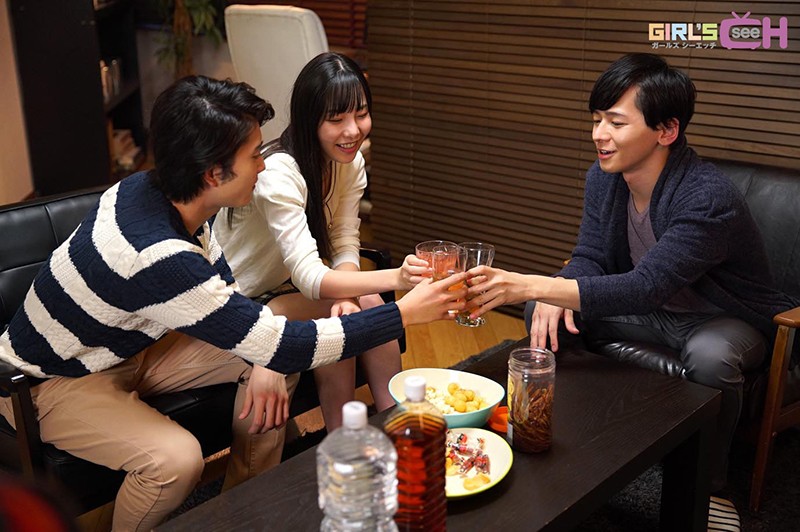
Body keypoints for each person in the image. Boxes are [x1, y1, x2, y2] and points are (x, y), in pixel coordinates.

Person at [0, 75, 466, 531]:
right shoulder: (155, 253)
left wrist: (266, 355)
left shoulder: (172, 196)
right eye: (254, 155)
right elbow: (281, 340)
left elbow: (228, 288)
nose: (263, 164)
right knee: (176, 461)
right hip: (52, 382)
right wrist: (405, 312)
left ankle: (240, 512)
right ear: (213, 173)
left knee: (275, 363)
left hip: (136, 346)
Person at [465, 53, 799, 527]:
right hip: (654, 310)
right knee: (545, 310)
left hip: (721, 317)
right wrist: (552, 290)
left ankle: (710, 488)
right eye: (597, 119)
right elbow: (590, 256)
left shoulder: (707, 196)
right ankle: (583, 440)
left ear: (667, 130)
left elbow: (645, 286)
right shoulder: (603, 178)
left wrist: (527, 284)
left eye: (616, 122)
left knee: (711, 356)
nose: (599, 134)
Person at [216, 52, 429, 430]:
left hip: (287, 287)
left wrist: (347, 295)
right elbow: (311, 278)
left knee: (358, 305)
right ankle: (342, 432)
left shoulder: (349, 163)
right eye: (336, 119)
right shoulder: (278, 173)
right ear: (309, 119)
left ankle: (396, 422)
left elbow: (344, 240)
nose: (353, 130)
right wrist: (398, 277)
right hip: (241, 299)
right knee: (345, 307)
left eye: (361, 114)